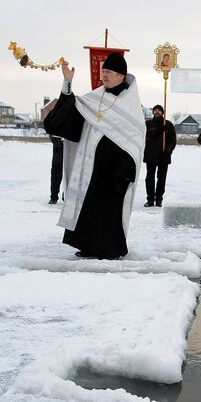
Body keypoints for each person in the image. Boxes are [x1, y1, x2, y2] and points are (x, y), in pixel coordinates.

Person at [43, 53, 145, 259]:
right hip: (90, 166)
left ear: (121, 76)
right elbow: (68, 115)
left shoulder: (130, 106)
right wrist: (67, 83)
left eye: (109, 72)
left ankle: (110, 250)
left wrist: (126, 172)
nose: (104, 75)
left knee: (109, 211)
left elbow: (135, 141)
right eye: (103, 71)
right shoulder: (94, 98)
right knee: (89, 206)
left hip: (117, 169)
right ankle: (87, 245)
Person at [143, 103, 176, 207]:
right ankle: (150, 200)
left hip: (163, 157)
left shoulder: (168, 124)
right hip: (150, 156)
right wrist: (159, 130)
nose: (157, 111)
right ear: (153, 112)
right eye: (155, 110)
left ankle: (159, 200)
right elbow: (145, 137)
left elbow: (173, 140)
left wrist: (167, 152)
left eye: (159, 110)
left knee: (161, 179)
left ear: (162, 112)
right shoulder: (148, 124)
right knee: (149, 179)